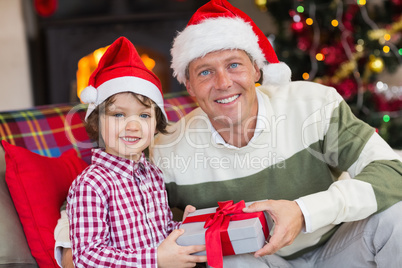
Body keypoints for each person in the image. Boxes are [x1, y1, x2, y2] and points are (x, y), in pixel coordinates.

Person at [56, 1, 402, 267]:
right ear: (189, 86)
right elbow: (101, 192)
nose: (223, 83)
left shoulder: (313, 104)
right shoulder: (166, 146)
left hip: (338, 250)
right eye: (205, 72)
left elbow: (393, 172)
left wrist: (303, 212)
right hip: (258, 261)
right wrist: (69, 248)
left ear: (255, 68)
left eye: (234, 65)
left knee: (395, 216)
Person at [64, 36, 206, 268]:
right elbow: (87, 258)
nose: (133, 126)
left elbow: (159, 232)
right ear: (96, 122)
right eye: (119, 115)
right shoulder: (91, 185)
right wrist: (156, 260)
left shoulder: (152, 174)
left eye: (144, 115)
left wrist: (184, 228)